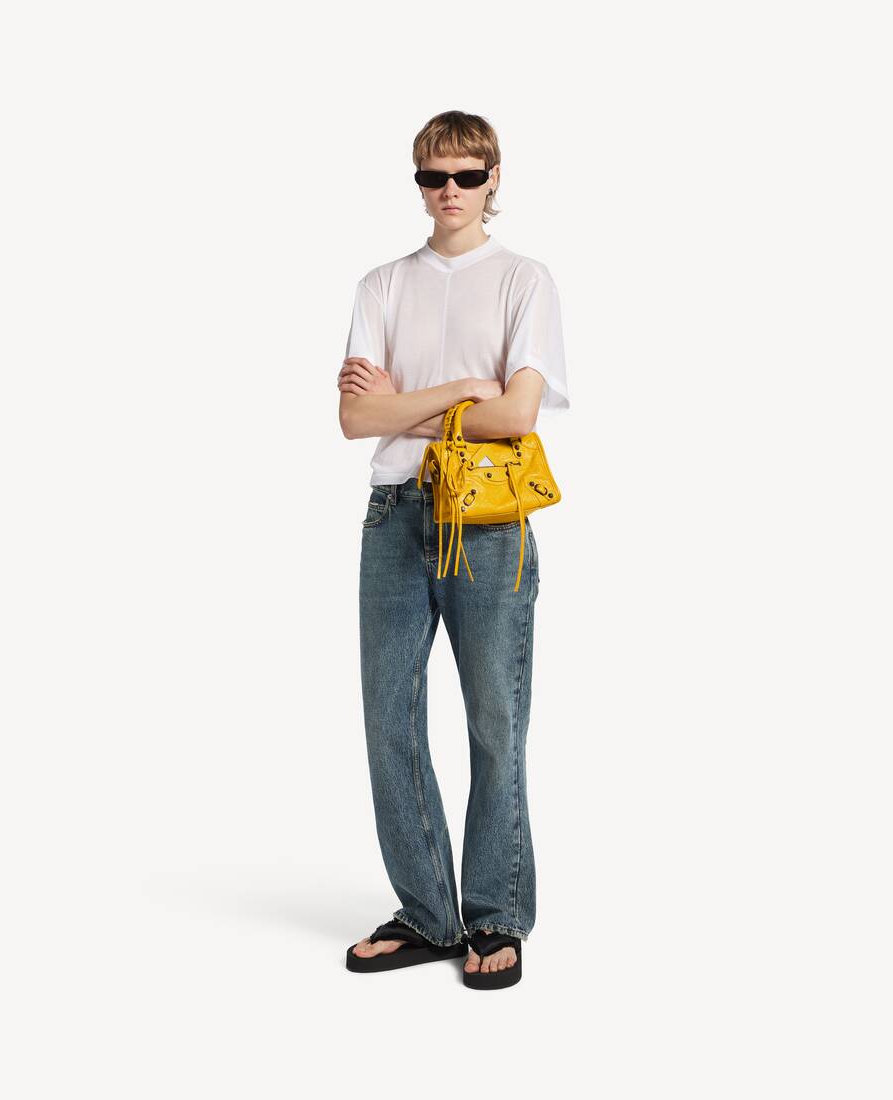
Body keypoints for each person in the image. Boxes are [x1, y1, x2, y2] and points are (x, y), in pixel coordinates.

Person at [336, 110, 570, 989]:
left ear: (493, 179)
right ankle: (429, 914)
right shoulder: (382, 285)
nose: (450, 192)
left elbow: (518, 414)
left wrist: (408, 404)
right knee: (388, 722)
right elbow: (355, 418)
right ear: (419, 182)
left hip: (488, 520)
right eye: (434, 176)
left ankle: (497, 912)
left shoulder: (523, 280)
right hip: (394, 514)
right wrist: (466, 389)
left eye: (468, 176)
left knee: (494, 722)